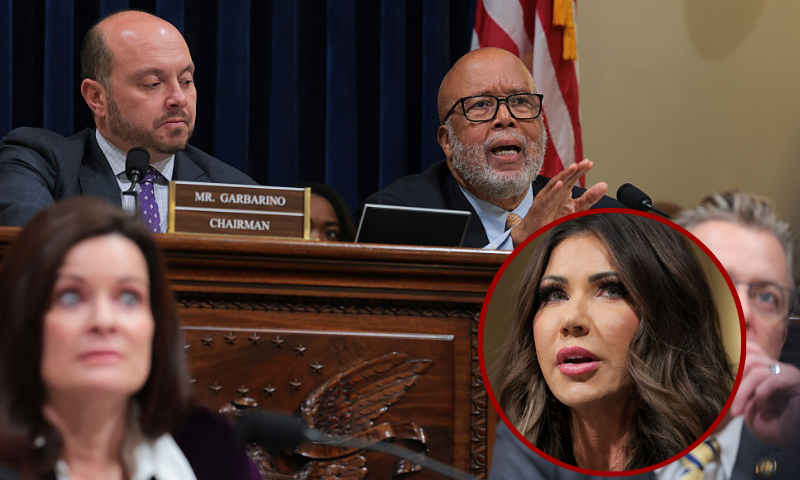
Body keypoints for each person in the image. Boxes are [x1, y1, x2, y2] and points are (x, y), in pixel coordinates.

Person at [0, 197, 261, 479]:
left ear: (155, 324)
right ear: (24, 318)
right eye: (72, 297)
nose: (104, 321)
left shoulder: (212, 449)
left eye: (128, 297)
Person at [492, 212, 733, 472]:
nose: (571, 319)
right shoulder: (513, 445)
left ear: (667, 318)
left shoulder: (724, 453)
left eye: (611, 290)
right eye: (555, 295)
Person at [0, 10, 257, 230]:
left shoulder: (235, 190)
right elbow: (32, 257)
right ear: (97, 97)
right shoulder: (39, 163)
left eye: (186, 81)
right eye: (152, 83)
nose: (179, 98)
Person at [362, 47, 622, 250]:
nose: (505, 117)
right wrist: (516, 246)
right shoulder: (399, 216)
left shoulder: (600, 218)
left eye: (521, 101)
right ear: (447, 141)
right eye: (481, 105)